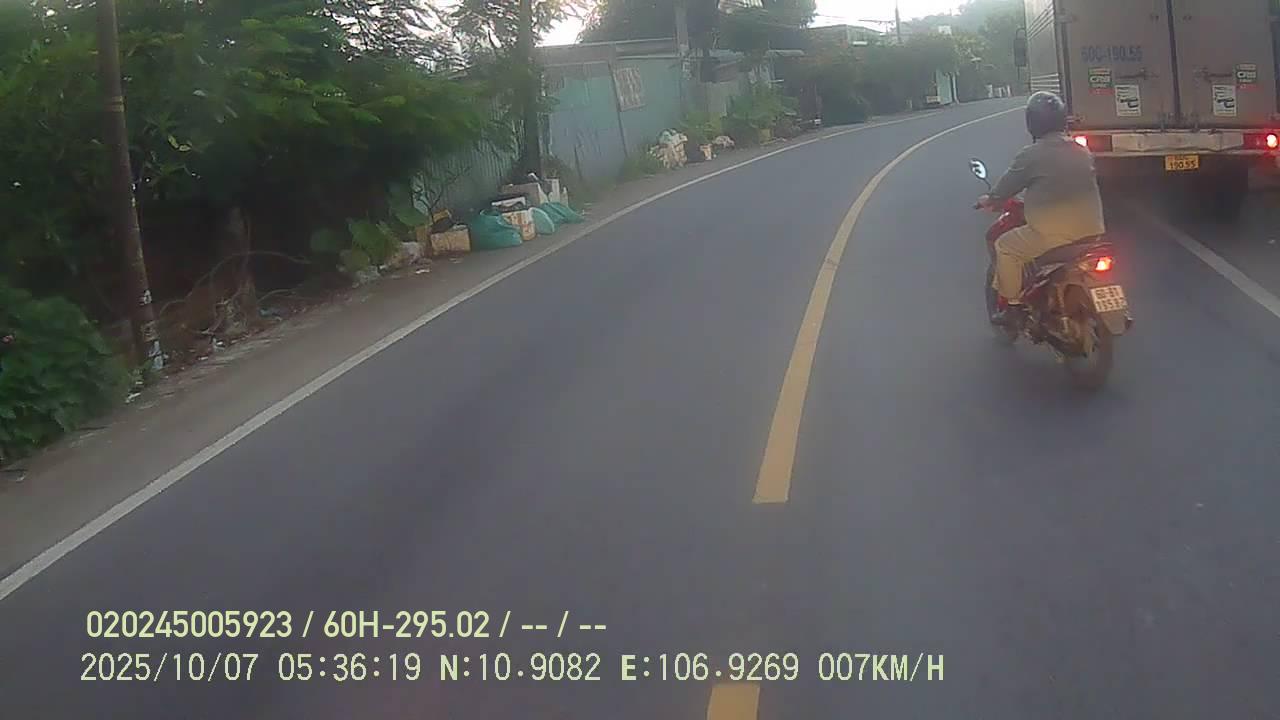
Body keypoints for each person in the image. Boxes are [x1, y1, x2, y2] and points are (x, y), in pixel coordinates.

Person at [979, 91, 1106, 325]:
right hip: (1092, 231)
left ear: (1032, 123)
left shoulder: (1030, 155)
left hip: (1052, 236)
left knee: (1005, 247)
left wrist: (990, 198)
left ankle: (1013, 309)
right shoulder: (1082, 151)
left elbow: (1006, 188)